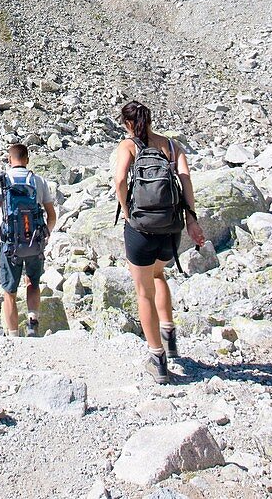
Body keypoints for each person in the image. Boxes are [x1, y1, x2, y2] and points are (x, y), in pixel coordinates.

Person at [115, 100, 205, 384]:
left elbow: (120, 181)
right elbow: (186, 179)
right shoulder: (172, 146)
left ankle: (158, 360)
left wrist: (127, 213)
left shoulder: (128, 145)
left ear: (128, 123)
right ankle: (170, 336)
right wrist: (192, 218)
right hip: (171, 227)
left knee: (143, 292)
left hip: (140, 227)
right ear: (150, 120)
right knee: (159, 274)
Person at [0, 142, 56, 337]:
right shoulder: (38, 181)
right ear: (27, 159)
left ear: (9, 160)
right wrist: (45, 235)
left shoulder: (1, 180)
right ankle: (33, 322)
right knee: (33, 283)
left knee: (9, 291)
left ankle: (13, 335)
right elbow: (51, 215)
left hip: (10, 245)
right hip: (35, 243)